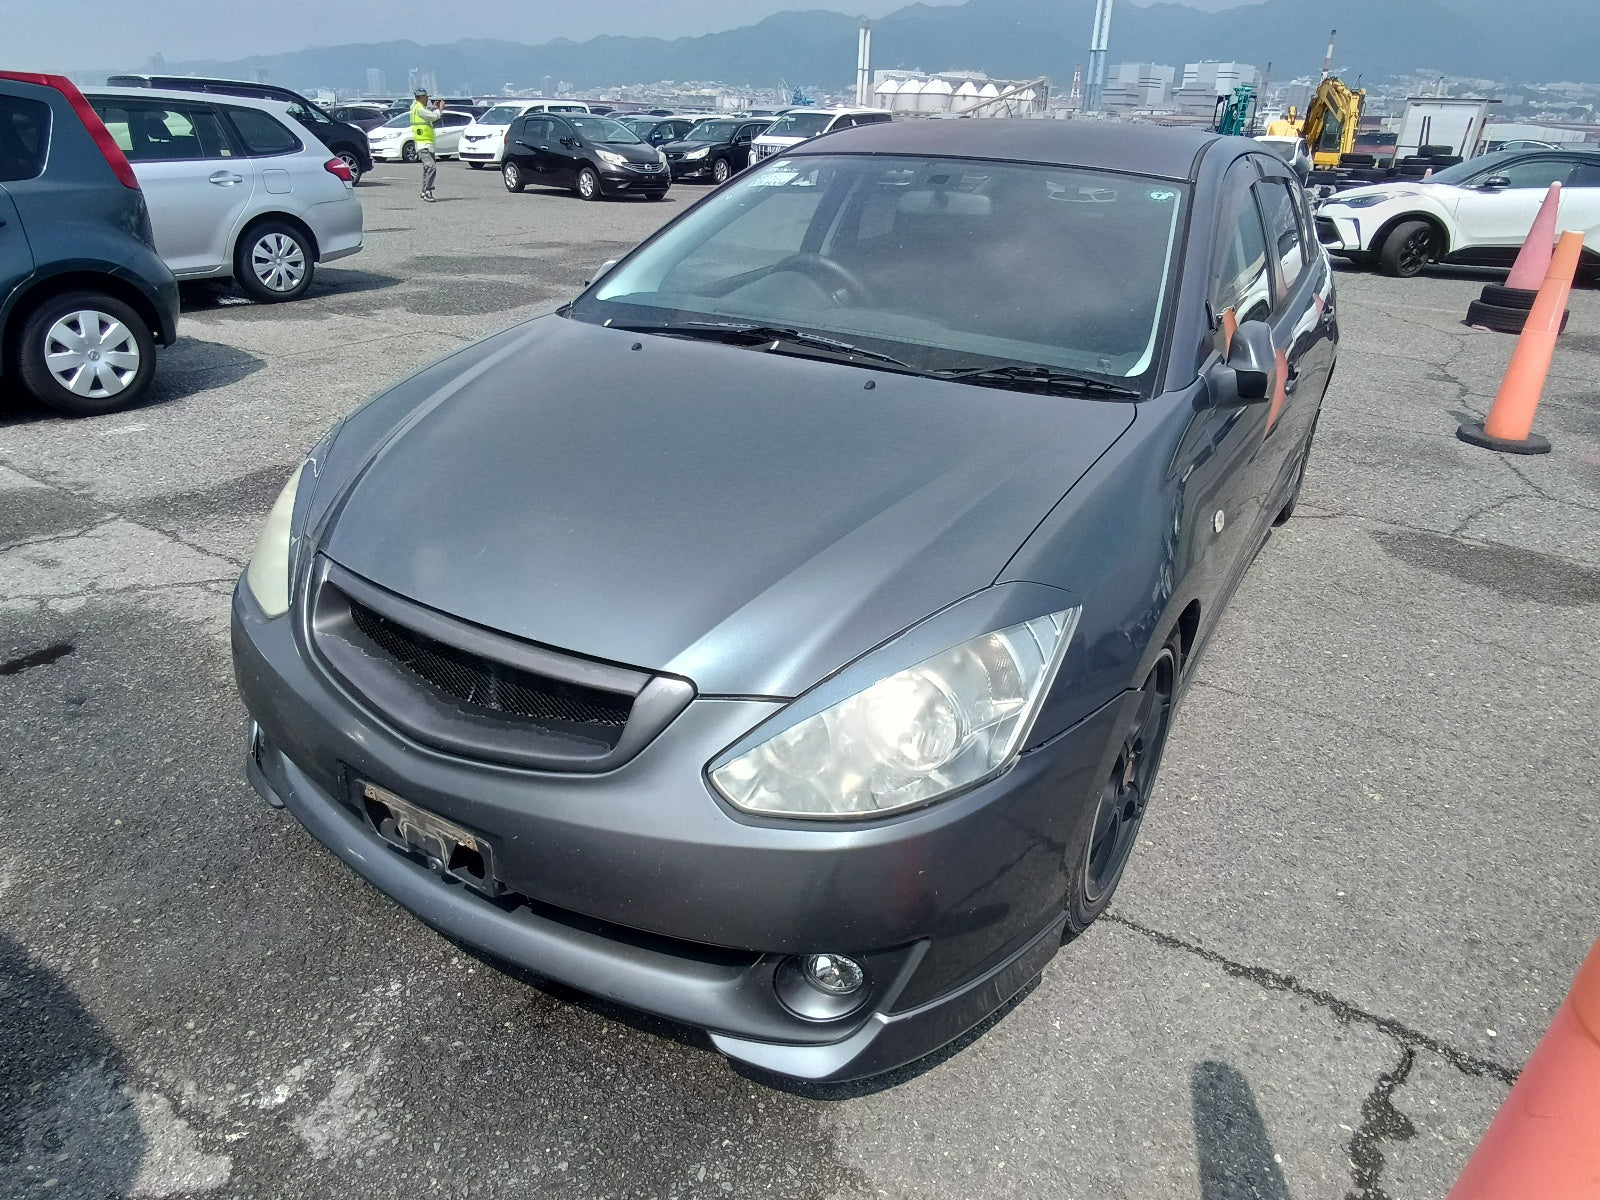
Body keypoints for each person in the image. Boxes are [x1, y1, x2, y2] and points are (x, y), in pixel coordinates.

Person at [409, 89, 442, 201]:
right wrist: (439, 109)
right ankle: (428, 191)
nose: (427, 98)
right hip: (423, 144)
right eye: (426, 96)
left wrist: (432, 108)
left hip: (426, 144)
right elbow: (434, 117)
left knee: (426, 169)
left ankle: (424, 192)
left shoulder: (415, 107)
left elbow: (426, 114)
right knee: (431, 166)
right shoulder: (419, 108)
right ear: (422, 97)